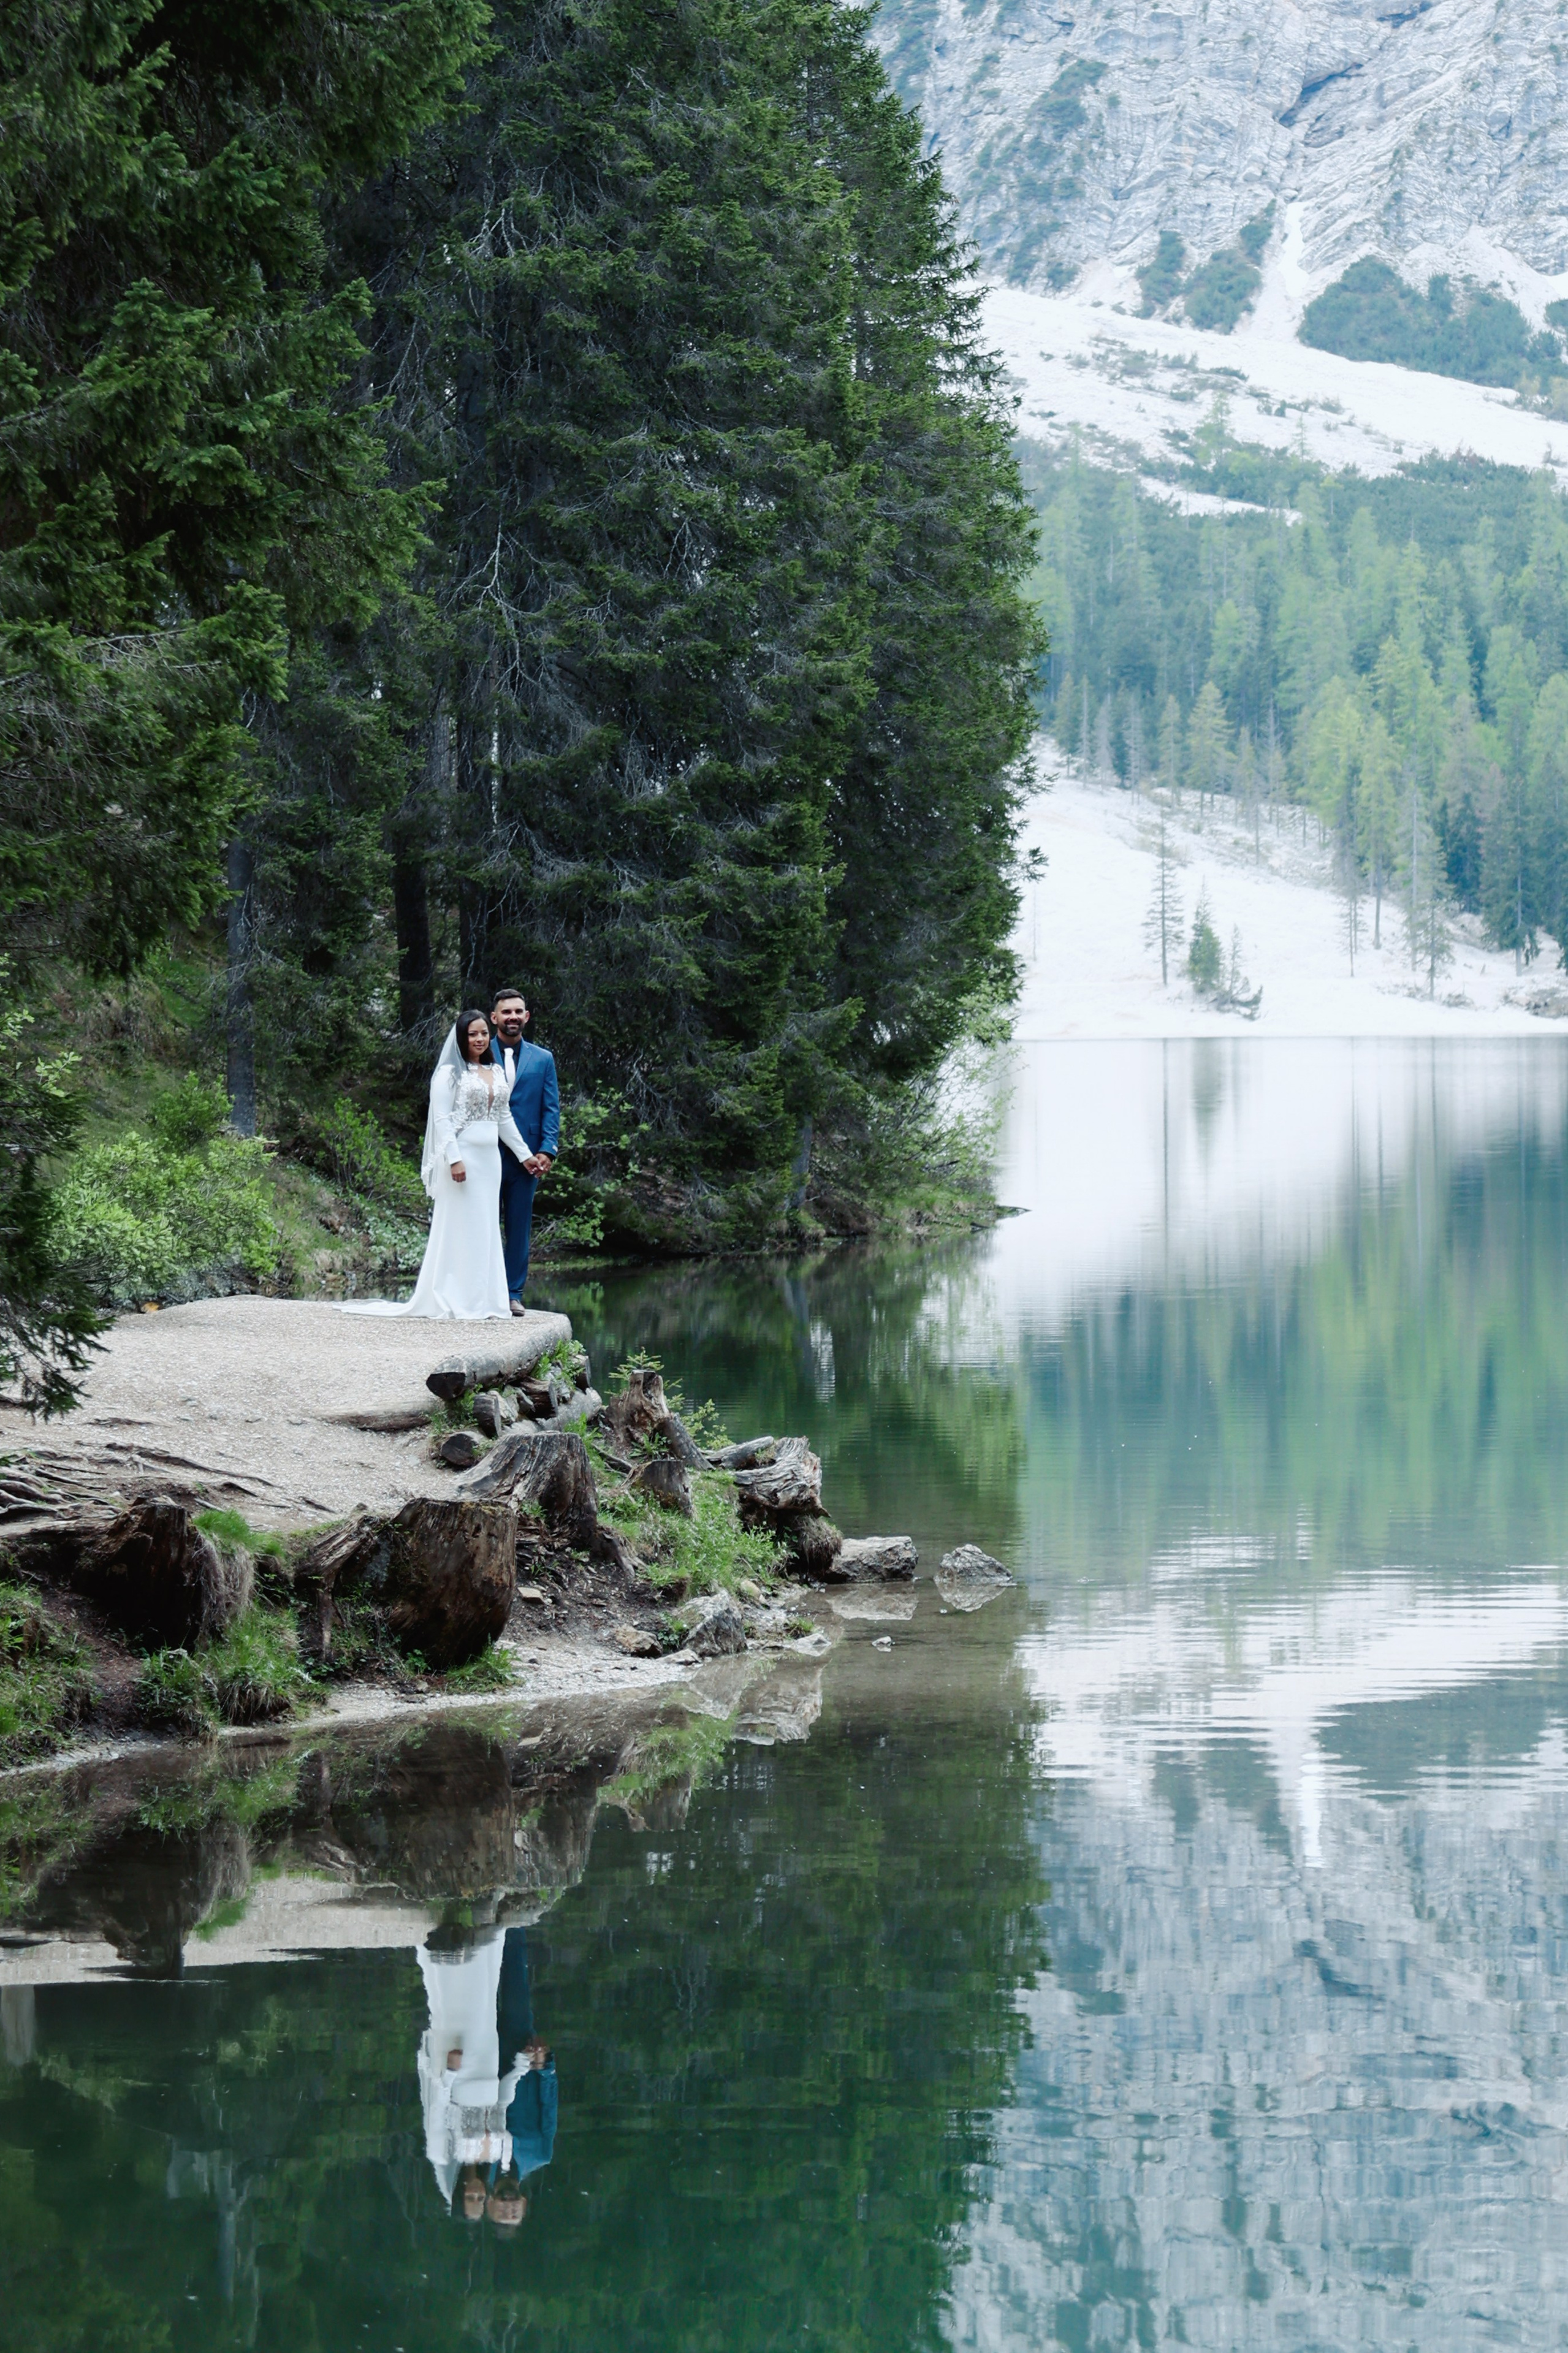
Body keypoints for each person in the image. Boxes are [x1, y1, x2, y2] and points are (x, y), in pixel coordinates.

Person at [346, 1011, 531, 1320]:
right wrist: (454, 1158)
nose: (480, 1039)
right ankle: (454, 1297)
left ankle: (486, 1300)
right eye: (473, 1034)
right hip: (462, 1157)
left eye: (484, 1033)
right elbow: (442, 1120)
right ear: (462, 1037)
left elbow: (503, 1118)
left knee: (486, 1227)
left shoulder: (496, 1072)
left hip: (490, 1161)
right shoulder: (449, 1073)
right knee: (460, 1226)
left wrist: (525, 1155)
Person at [487, 989, 559, 1315]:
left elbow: (551, 1107)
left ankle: (513, 1293)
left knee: (519, 1225)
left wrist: (548, 1149)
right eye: (506, 1012)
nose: (512, 1017)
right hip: (484, 1153)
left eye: (518, 1012)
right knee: (483, 1222)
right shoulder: (478, 1052)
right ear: (495, 1018)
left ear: (526, 1017)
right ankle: (482, 1291)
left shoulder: (543, 1059)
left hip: (527, 1158)